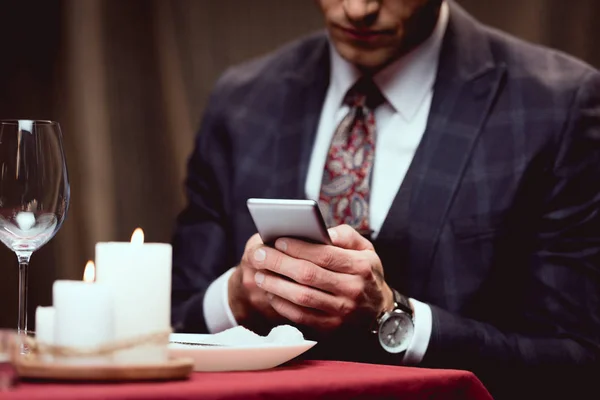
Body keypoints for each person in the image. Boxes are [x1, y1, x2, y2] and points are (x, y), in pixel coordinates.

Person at [171, 0, 600, 398]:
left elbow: (578, 363)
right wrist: (235, 299)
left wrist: (393, 317)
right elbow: (174, 318)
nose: (359, 9)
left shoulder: (556, 106)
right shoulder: (242, 101)